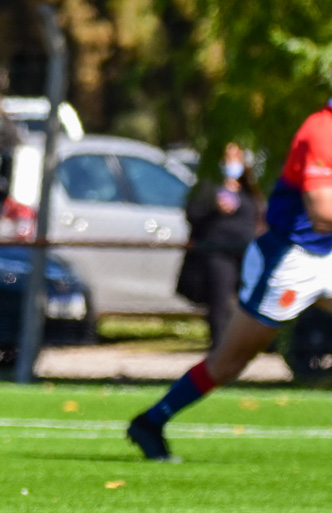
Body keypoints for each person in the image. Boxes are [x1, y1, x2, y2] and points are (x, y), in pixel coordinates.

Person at [130, 109, 332, 461]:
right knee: (229, 362)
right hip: (290, 261)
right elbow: (321, 212)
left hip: (326, 255)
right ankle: (151, 420)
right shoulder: (321, 130)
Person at [175, 142, 263, 351]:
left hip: (245, 252)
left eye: (236, 157)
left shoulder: (250, 188)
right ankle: (221, 349)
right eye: (228, 157)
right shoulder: (208, 186)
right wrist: (214, 205)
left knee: (248, 303)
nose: (232, 163)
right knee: (220, 303)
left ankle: (246, 345)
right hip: (217, 252)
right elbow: (192, 213)